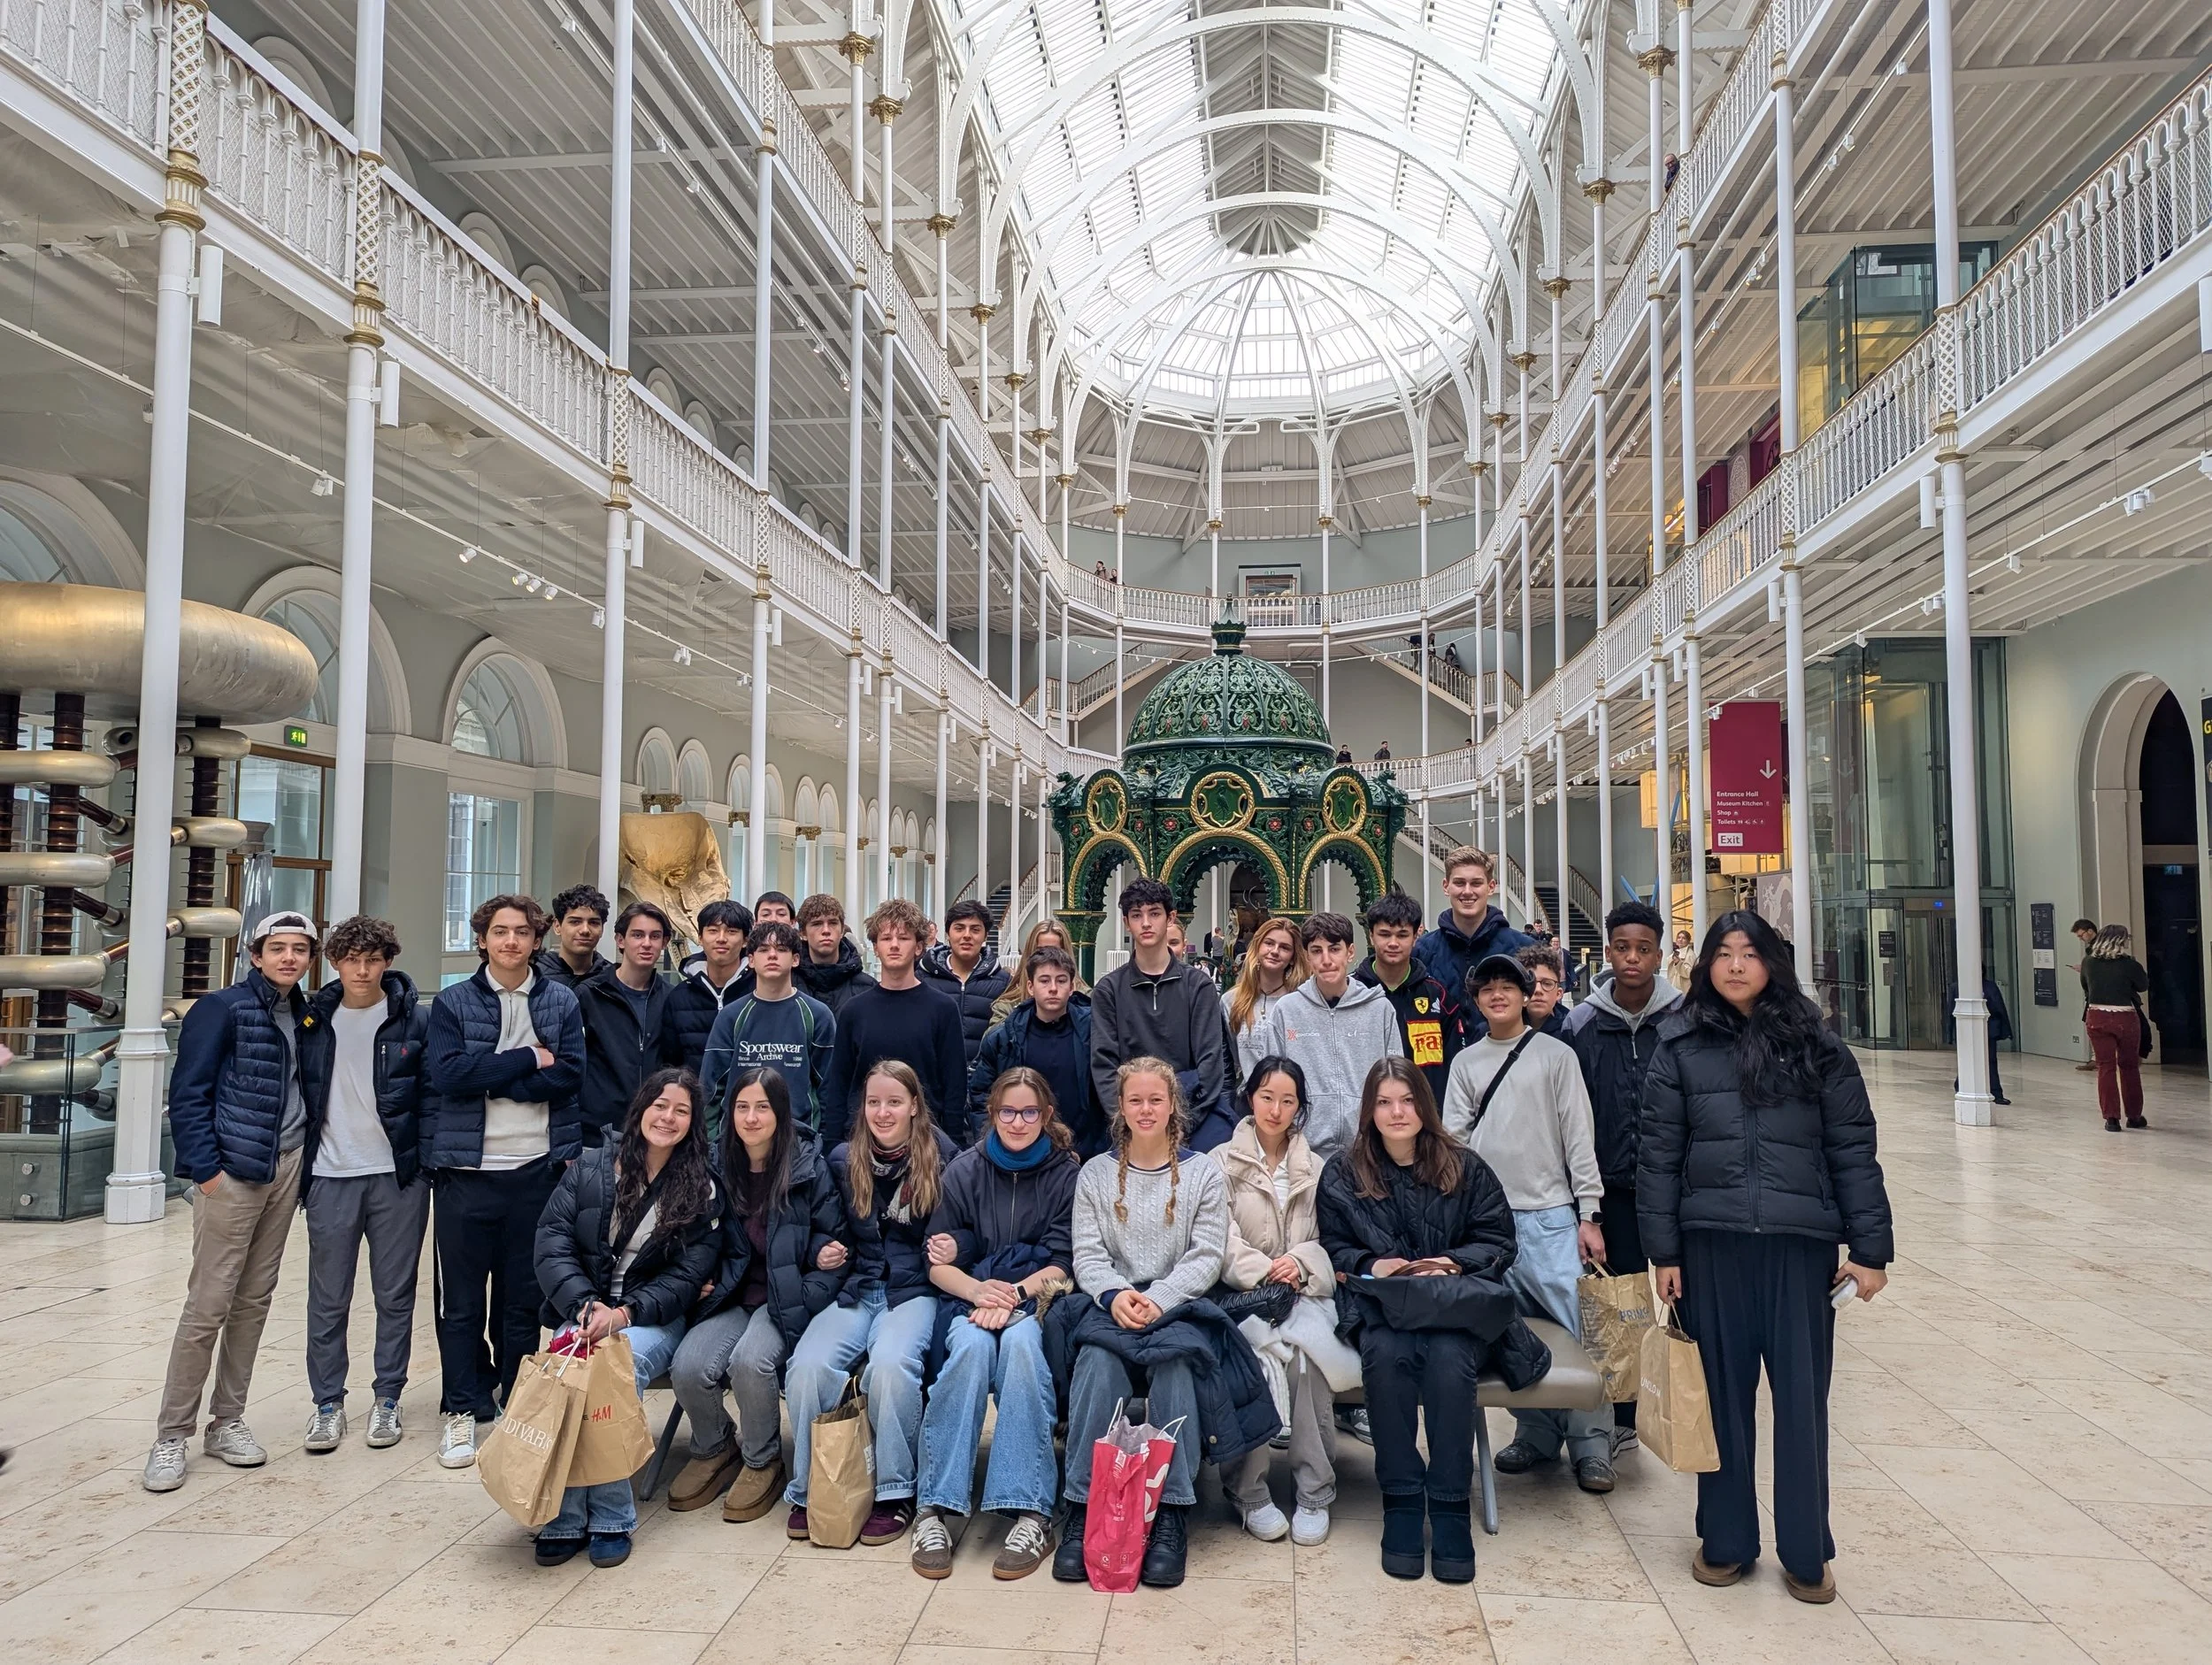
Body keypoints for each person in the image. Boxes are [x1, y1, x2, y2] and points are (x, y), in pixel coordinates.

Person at [1642, 912, 1892, 1602]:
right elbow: (1658, 1156)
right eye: (1722, 954)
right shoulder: (1680, 1043)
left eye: (1749, 954)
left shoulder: (1817, 1045)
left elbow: (1852, 1149)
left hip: (1798, 1250)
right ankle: (1725, 1540)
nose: (1734, 966)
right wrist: (1664, 1250)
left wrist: (1869, 1250)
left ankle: (1807, 1552)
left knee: (1802, 1405)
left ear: (1772, 962)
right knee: (1720, 1404)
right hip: (1710, 1248)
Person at [1317, 1057, 1517, 1584]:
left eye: (1406, 1100)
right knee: (1386, 1357)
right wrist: (1368, 1264)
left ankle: (1450, 1502)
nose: (1396, 1112)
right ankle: (1402, 1498)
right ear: (1369, 1110)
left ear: (1424, 1106)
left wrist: (1453, 1262)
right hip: (1385, 1308)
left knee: (1450, 1361)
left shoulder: (1463, 1165)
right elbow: (1333, 1245)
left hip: (1454, 1306)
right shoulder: (1343, 1170)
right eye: (1384, 1102)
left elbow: (1498, 1240)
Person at [143, 910, 324, 1492]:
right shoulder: (221, 1009)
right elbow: (188, 1093)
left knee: (254, 1300)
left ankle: (228, 1421)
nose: (289, 958)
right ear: (255, 954)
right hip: (234, 1174)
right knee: (210, 1302)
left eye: (300, 949)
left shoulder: (306, 1013)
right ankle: (172, 1433)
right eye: (279, 948)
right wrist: (207, 1173)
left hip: (287, 1166)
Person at [530, 1069, 723, 1569]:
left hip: (650, 1319)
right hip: (585, 1310)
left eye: (682, 1111)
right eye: (661, 1105)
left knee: (612, 1368)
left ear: (693, 1123)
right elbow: (552, 1242)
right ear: (641, 1109)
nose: (669, 1117)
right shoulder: (591, 1167)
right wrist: (583, 1305)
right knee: (570, 1365)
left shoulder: (700, 1187)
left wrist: (623, 1314)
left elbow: (689, 1274)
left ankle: (612, 1515)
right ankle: (565, 1516)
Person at [1052, 1059, 1233, 1589]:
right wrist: (1114, 1295)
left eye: (1156, 1099)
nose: (1146, 1109)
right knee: (1097, 1362)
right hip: (1113, 1304)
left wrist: (1160, 1297)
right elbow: (1086, 1254)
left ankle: (1171, 1510)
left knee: (1176, 1367)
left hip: (1177, 1306)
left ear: (1172, 1104)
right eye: (1136, 1100)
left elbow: (1206, 1256)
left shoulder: (1202, 1172)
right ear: (1121, 1107)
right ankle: (1083, 1502)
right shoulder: (1095, 1174)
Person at [421, 894, 587, 1471]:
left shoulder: (562, 1001)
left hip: (536, 1170)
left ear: (537, 940)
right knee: (461, 1303)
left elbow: (569, 1077)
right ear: (483, 939)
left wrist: (492, 1073)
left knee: (521, 1301)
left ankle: (518, 1400)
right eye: (500, 932)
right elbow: (447, 1075)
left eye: (521, 932)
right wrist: (524, 1061)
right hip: (467, 1172)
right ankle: (463, 1407)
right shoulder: (453, 1002)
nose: (511, 941)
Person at [1442, 953, 1611, 1492]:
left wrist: (1589, 1213)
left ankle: (1592, 1444)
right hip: (1489, 1224)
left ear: (1526, 994)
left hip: (1551, 1217)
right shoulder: (1466, 1063)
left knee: (1575, 1329)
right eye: (1487, 988)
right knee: (1511, 1332)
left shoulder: (1555, 1056)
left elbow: (1578, 1137)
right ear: (1477, 998)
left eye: (1507, 987)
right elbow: (1454, 1144)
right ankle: (1536, 1435)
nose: (1498, 996)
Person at [912, 1067, 1084, 1580]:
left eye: (1030, 1112)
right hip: (970, 1299)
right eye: (1008, 1111)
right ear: (992, 1114)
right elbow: (937, 1262)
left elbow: (1064, 1260)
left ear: (1047, 1116)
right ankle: (934, 1507)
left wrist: (1013, 1293)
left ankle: (1030, 1508)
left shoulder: (1065, 1174)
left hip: (1035, 1302)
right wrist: (979, 1292)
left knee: (1023, 1350)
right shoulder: (963, 1170)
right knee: (969, 1351)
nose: (1018, 1121)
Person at [664, 1066, 851, 1516]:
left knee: (751, 1362)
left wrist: (814, 1272)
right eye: (742, 1107)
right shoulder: (713, 1165)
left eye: (762, 1107)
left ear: (781, 1114)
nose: (750, 1118)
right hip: (730, 1293)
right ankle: (714, 1446)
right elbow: (687, 1234)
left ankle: (762, 1460)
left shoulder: (808, 1167)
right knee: (688, 1366)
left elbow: (837, 1241)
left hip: (783, 1296)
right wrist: (697, 1280)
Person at [780, 1061, 953, 1543]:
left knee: (891, 1368)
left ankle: (896, 1490)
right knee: (808, 1365)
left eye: (894, 1102)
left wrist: (953, 1246)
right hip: (857, 1287)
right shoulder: (841, 1159)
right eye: (874, 1102)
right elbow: (815, 1223)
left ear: (914, 1107)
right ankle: (810, 1485)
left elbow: (964, 1226)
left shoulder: (942, 1157)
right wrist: (821, 1248)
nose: (883, 1111)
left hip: (913, 1290)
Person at [299, 915, 433, 1456]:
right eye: (351, 958)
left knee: (395, 1294)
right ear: (334, 961)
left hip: (396, 1176)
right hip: (331, 1173)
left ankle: (388, 1398)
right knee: (328, 1298)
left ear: (388, 962)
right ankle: (327, 1402)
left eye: (372, 959)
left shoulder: (414, 1020)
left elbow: (431, 1095)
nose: (362, 968)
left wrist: (424, 1165)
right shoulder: (311, 1020)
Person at [1217, 1056, 1357, 1546]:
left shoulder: (1318, 1167)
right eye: (1266, 1097)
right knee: (1252, 1362)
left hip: (1301, 1292)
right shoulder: (1220, 1163)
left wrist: (1298, 1266)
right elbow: (1217, 1238)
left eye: (1287, 1100)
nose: (1275, 1109)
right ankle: (1248, 1489)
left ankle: (1314, 1490)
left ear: (1300, 1107)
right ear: (1250, 1097)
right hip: (1242, 1296)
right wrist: (1262, 1273)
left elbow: (1330, 1238)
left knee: (1308, 1364)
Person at [1561, 901, 1678, 1456]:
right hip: (1614, 1189)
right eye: (1623, 948)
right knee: (1622, 1300)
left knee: (1688, 1298)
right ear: (1608, 952)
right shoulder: (1582, 1023)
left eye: (1644, 948)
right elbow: (1572, 1111)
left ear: (1660, 952)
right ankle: (1624, 1414)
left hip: (1677, 1185)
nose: (1633, 958)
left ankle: (1692, 1400)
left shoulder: (1683, 1020)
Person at [1091, 876, 1233, 1148]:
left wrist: (1179, 1124)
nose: (1146, 923)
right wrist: (1133, 1124)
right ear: (1126, 923)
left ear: (1170, 918)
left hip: (1191, 1123)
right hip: (1131, 1127)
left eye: (1154, 913)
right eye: (1136, 915)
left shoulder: (1198, 986)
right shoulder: (1109, 990)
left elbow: (1210, 1066)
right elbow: (1105, 1068)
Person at [1255, 912, 1403, 1162]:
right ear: (1307, 956)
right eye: (1316, 951)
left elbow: (1395, 1078)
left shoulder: (1379, 1009)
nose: (1326, 960)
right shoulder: (1287, 1011)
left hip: (1369, 1149)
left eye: (1334, 949)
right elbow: (1274, 1082)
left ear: (1350, 952)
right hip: (1305, 1150)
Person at [820, 899, 970, 1145]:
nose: (894, 946)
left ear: (919, 946)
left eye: (903, 938)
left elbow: (954, 1083)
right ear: (876, 948)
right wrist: (832, 1144)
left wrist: (952, 1144)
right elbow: (839, 1082)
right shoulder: (855, 1011)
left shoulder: (943, 1009)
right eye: (886, 938)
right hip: (864, 1138)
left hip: (925, 1139)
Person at [698, 919, 836, 1134]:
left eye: (781, 949)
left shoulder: (817, 1015)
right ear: (751, 960)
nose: (772, 955)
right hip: (737, 1142)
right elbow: (711, 1088)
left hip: (799, 1142)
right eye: (763, 950)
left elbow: (829, 1088)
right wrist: (711, 1143)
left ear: (796, 960)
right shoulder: (731, 1016)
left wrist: (823, 1143)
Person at [968, 945, 1102, 1155]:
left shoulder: (1095, 1034)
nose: (1053, 988)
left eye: (1061, 980)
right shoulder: (1004, 1038)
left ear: (1072, 986)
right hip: (1021, 1151)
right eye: (1044, 980)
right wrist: (993, 1142)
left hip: (1085, 1151)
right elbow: (980, 1094)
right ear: (1030, 987)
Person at [574, 902, 685, 1146]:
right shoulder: (589, 995)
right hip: (597, 1132)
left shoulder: (672, 998)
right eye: (637, 935)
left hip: (655, 1131)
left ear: (664, 943)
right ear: (620, 940)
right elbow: (572, 1067)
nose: (647, 943)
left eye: (655, 936)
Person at [1413, 848, 1531, 1046]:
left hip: (1508, 1061)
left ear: (1491, 887)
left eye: (1476, 883)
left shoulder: (1524, 949)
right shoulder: (1422, 952)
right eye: (1459, 883)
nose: (1467, 891)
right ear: (1446, 886)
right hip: (1442, 1066)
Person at [1357, 890, 1459, 1104]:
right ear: (1371, 936)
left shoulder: (1439, 998)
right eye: (1385, 934)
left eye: (1402, 935)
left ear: (1416, 937)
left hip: (1426, 1119)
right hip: (1364, 1118)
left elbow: (1454, 1066)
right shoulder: (1352, 993)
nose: (1393, 943)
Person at [920, 899, 1010, 1072]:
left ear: (985, 935)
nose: (967, 935)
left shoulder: (1003, 982)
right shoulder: (923, 977)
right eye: (959, 928)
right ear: (948, 933)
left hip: (984, 1082)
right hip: (935, 1080)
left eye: (975, 930)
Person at [668, 898, 754, 1078]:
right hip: (696, 1100)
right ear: (700, 937)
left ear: (745, 940)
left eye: (731, 931)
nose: (721, 939)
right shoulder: (678, 997)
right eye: (713, 931)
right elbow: (670, 1064)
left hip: (749, 1101)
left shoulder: (759, 992)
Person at [2082, 924, 2151, 1130]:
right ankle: (2134, 1116)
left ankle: (2111, 1118)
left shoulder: (2088, 962)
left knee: (2105, 1066)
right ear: (2122, 941)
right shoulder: (2129, 964)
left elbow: (2086, 987)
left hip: (2096, 1015)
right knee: (2129, 1066)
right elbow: (2143, 986)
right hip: (2125, 1016)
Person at [1228, 916, 1307, 1078]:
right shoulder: (1231, 1001)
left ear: (1293, 958)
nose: (1275, 951)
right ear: (1258, 947)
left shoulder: (1300, 1003)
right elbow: (1228, 1062)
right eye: (1269, 943)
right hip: (1246, 1098)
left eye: (1284, 947)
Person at [795, 893, 878, 1021]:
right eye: (817, 924)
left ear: (842, 931)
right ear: (803, 933)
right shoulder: (788, 985)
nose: (826, 930)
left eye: (833, 923)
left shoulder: (867, 987)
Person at [1942, 968, 2014, 1106]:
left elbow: (2000, 1008)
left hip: (1988, 1029)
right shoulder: (1957, 987)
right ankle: (1961, 1085)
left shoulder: (1989, 987)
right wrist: (1950, 1033)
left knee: (1990, 1060)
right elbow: (1951, 1010)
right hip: (1966, 1030)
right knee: (1967, 1059)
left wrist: (2004, 1029)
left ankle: (1996, 1093)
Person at [992, 917, 1085, 1022]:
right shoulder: (1008, 1006)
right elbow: (995, 1037)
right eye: (1041, 951)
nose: (1048, 957)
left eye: (1055, 950)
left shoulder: (1087, 1000)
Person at [537, 885, 609, 991]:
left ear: (602, 929)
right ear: (557, 926)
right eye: (575, 922)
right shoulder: (535, 974)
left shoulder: (612, 978)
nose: (585, 930)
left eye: (593, 923)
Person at [1518, 942, 1571, 1037]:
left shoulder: (1572, 1031)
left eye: (1547, 984)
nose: (1538, 990)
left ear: (1559, 993)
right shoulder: (1502, 1028)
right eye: (1531, 983)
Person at [2070, 917, 2099, 1070]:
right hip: (2094, 991)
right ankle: (2096, 1057)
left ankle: (2098, 1058)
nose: (2081, 939)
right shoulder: (2093, 949)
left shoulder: (2097, 949)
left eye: (2081, 936)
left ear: (2090, 931)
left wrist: (2085, 970)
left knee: (2093, 1023)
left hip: (2097, 993)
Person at [1664, 928, 1696, 993]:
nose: (1680, 940)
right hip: (1675, 987)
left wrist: (1678, 963)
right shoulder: (1677, 952)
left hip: (1683, 989)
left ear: (1688, 941)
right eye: (1679, 937)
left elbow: (1690, 973)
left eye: (1684, 938)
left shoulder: (1690, 955)